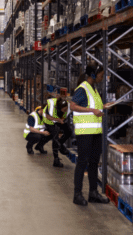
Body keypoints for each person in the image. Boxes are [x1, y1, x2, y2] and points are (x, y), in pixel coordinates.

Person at [69, 65, 110, 206]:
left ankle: (93, 192)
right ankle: (77, 194)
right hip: (85, 132)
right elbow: (73, 106)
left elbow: (93, 107)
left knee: (93, 162)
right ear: (93, 75)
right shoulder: (83, 88)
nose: (102, 77)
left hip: (96, 132)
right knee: (82, 162)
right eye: (101, 75)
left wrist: (103, 107)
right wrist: (92, 110)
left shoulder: (94, 89)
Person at [42, 91, 70, 168]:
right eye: (64, 109)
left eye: (66, 109)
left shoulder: (67, 106)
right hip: (49, 120)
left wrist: (62, 120)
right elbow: (47, 116)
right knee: (55, 136)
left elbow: (65, 115)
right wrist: (58, 120)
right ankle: (56, 160)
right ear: (59, 108)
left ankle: (60, 145)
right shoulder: (51, 106)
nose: (66, 110)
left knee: (69, 131)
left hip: (58, 120)